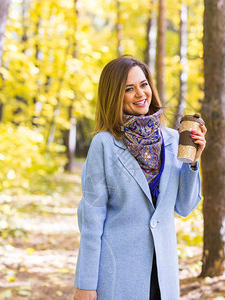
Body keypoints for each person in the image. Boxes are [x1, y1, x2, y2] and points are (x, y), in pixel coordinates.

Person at [73, 56, 206, 300]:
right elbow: (91, 220)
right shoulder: (104, 144)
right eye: (129, 89)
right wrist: (85, 283)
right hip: (118, 275)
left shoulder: (173, 139)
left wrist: (193, 162)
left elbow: (184, 207)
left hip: (163, 275)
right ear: (115, 96)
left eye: (143, 84)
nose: (140, 94)